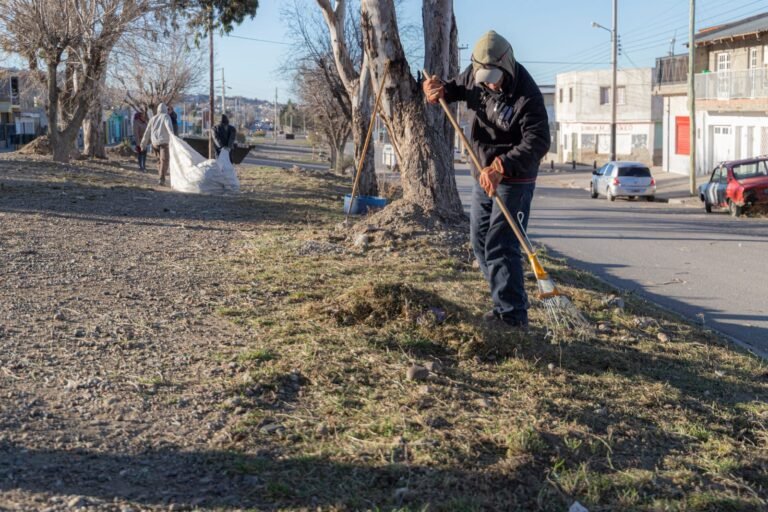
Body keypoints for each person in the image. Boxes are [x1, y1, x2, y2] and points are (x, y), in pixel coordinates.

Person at [423, 30, 550, 328]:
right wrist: (434, 90)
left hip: (514, 176)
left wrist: (502, 166)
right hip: (483, 171)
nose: (491, 83)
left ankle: (512, 316)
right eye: (485, 77)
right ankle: (501, 300)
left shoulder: (527, 95)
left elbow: (539, 141)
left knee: (501, 242)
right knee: (479, 241)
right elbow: (452, 89)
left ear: (507, 64)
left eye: (495, 76)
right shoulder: (475, 74)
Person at [140, 103, 175, 186]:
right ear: (165, 110)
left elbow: (147, 132)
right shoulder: (166, 116)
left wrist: (143, 144)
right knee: (164, 160)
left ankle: (160, 177)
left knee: (159, 160)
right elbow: (169, 127)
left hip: (155, 143)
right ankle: (161, 178)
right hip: (164, 142)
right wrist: (173, 137)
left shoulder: (153, 119)